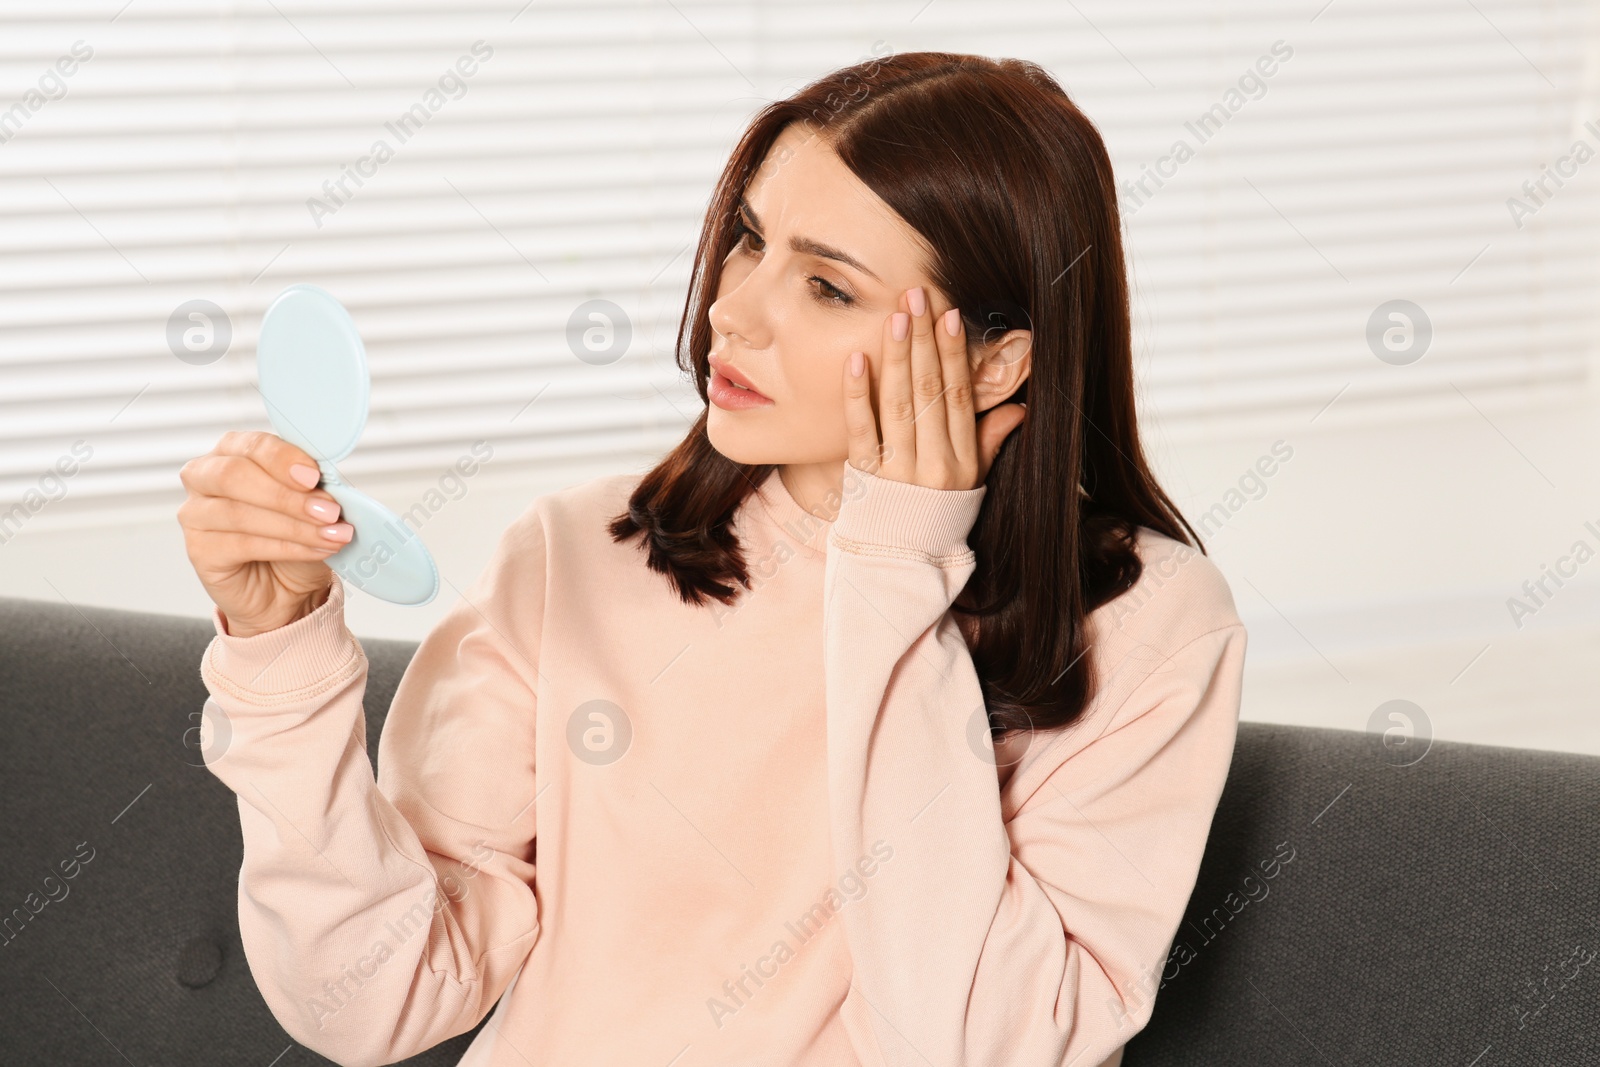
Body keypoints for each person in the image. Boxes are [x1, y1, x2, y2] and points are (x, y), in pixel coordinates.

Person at [179, 50, 1246, 1067]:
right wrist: (282, 655)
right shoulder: (579, 554)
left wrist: (891, 567)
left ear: (995, 359)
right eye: (748, 239)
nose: (733, 310)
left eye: (828, 288)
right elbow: (370, 998)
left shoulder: (1152, 627)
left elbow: (972, 1046)